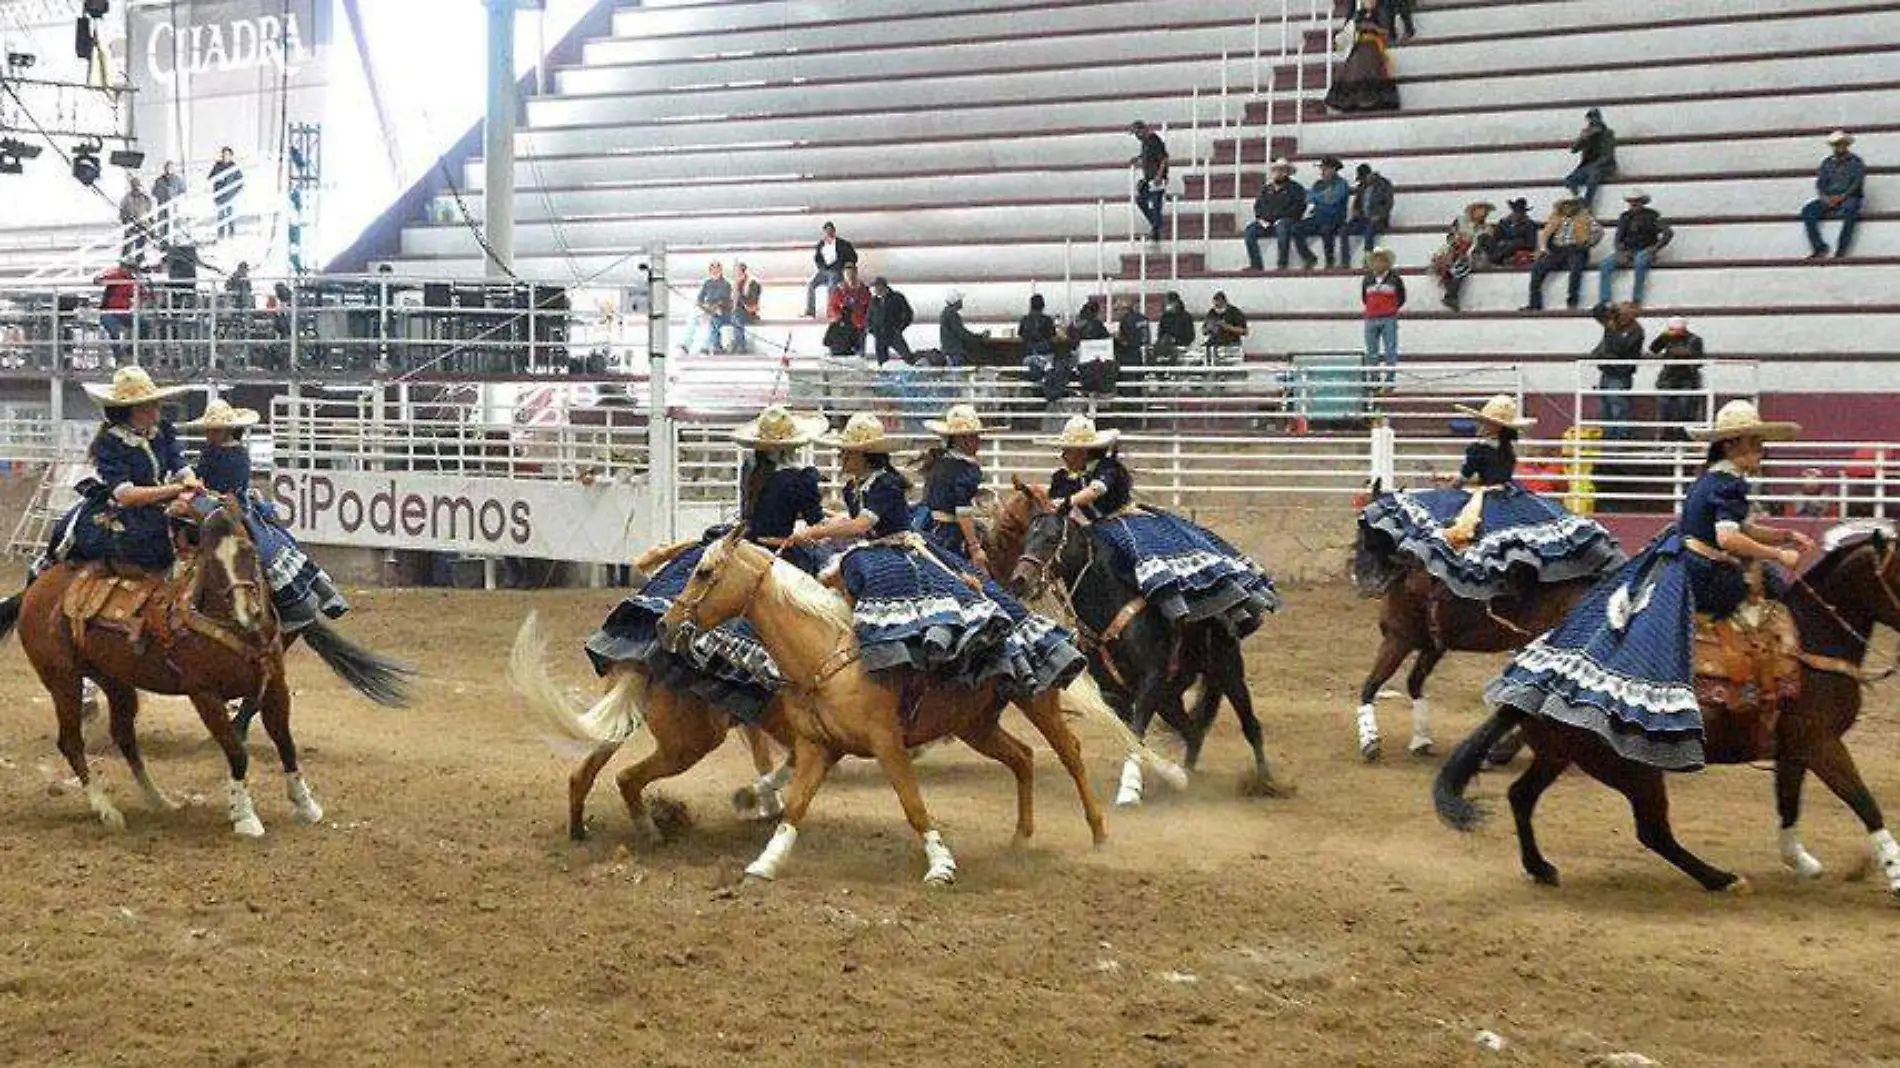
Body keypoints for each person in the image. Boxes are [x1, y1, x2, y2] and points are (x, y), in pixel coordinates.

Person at [1485, 400, 1811, 771]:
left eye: (1759, 443)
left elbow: (1742, 529)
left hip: (1683, 562)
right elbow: (1730, 537)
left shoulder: (1713, 477)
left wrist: (1784, 534)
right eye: (1754, 442)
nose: (1760, 450)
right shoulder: (1729, 483)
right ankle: (1752, 694)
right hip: (1706, 572)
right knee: (1767, 592)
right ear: (1733, 445)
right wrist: (1777, 555)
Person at [1358, 395, 1622, 753]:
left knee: (1460, 545)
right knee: (1521, 546)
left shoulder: (1479, 448)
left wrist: (1449, 485)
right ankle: (1515, 595)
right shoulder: (1506, 450)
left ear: (1491, 424)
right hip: (1511, 500)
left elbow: (1464, 481)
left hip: (1484, 501)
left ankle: (1460, 596)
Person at [797, 413, 1011, 684]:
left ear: (864, 455)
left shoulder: (885, 482)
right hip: (887, 543)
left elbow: (862, 524)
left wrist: (816, 531)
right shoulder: (857, 485)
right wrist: (825, 526)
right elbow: (858, 522)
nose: (842, 458)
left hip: (900, 546)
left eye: (846, 453)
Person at [1044, 414, 1279, 635]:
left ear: (1083, 452)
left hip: (1129, 521)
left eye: (1068, 450)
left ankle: (1190, 608)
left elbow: (1097, 489)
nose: (1063, 455)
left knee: (1154, 555)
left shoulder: (1108, 468)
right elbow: (1051, 502)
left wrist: (1066, 502)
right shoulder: (1063, 478)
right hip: (1100, 528)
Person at [916, 404, 1088, 696]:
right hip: (950, 535)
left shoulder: (940, 461)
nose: (978, 441)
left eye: (977, 436)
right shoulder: (967, 468)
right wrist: (974, 547)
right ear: (962, 440)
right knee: (979, 590)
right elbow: (961, 512)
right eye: (973, 437)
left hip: (925, 527)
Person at [182, 399, 348, 630]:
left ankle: (302, 599)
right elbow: (206, 478)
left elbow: (227, 486)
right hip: (224, 501)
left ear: (228, 430)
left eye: (215, 430)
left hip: (230, 505)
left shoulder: (234, 454)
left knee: (265, 549)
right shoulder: (218, 451)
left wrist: (202, 491)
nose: (210, 434)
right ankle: (318, 590)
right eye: (209, 430)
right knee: (276, 539)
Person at [43, 367, 198, 575]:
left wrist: (190, 484)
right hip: (128, 510)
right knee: (142, 543)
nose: (157, 409)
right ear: (133, 410)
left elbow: (179, 464)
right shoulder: (109, 443)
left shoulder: (162, 431)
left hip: (164, 499)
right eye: (150, 405)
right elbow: (126, 496)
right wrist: (176, 489)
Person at [1523, 196, 1600, 311]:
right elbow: (1545, 234)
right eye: (1565, 205)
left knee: (1575, 269)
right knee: (1537, 268)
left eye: (1570, 205)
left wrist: (1588, 243)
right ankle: (1535, 303)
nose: (1568, 207)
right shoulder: (1555, 218)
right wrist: (1544, 249)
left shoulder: (1585, 217)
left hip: (1575, 249)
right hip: (1557, 250)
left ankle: (1572, 301)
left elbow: (1598, 231)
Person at [1597, 190, 1672, 306]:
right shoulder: (1625, 217)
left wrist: (1655, 248)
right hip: (1628, 250)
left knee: (1640, 262)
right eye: (1632, 202)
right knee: (1605, 264)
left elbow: (1668, 233)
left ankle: (1637, 299)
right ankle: (1605, 299)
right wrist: (1620, 251)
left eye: (1636, 201)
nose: (1634, 204)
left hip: (1645, 249)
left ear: (1642, 202)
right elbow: (1618, 237)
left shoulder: (1652, 216)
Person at [1326, 0, 1400, 113]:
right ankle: (1352, 100)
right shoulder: (1358, 15)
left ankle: (1373, 99)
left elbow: (1387, 32)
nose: (1369, 2)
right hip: (1359, 46)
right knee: (1354, 68)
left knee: (1371, 68)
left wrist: (1374, 29)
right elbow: (1348, 30)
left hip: (1374, 47)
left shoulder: (1381, 13)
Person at [1802, 129, 1865, 259]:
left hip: (1849, 197)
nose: (1839, 147)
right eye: (1836, 144)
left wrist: (1842, 197)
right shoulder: (1827, 163)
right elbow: (1820, 183)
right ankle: (1819, 246)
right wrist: (1825, 197)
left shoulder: (1856, 162)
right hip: (1830, 197)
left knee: (1851, 211)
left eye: (1842, 144)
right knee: (1808, 210)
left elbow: (1857, 184)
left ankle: (1841, 250)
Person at [1591, 302, 1645, 439]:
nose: (1622, 315)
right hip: (1608, 370)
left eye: (1626, 312)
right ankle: (1608, 436)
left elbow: (1621, 349)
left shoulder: (1636, 331)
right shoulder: (1613, 325)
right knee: (1606, 406)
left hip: (1621, 373)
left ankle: (1621, 435)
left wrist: (1612, 330)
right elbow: (1597, 312)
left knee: (1618, 404)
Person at [1431, 201, 1495, 312]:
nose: (1483, 214)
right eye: (1480, 211)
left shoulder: (1487, 229)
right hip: (1455, 250)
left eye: (1485, 212)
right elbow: (1450, 238)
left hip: (1473, 254)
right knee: (1448, 262)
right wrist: (1458, 241)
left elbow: (1484, 245)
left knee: (1462, 265)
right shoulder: (1460, 221)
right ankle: (1450, 291)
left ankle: (1451, 295)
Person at [1244, 159, 1307, 271]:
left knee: (1282, 228)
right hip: (1266, 221)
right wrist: (1262, 218)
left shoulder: (1296, 188)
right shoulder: (1266, 189)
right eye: (1277, 170)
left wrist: (1279, 217)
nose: (1279, 173)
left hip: (1286, 221)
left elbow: (1298, 208)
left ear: (1287, 172)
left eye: (1282, 170)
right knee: (1249, 231)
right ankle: (1256, 264)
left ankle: (1282, 263)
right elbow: (1258, 206)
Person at [1650, 316, 1706, 437]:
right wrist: (1663, 337)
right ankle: (1666, 436)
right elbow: (1654, 349)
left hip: (1687, 379)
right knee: (1665, 407)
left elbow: (1699, 361)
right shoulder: (1667, 338)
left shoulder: (1695, 340)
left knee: (1685, 408)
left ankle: (1683, 436)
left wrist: (1687, 354)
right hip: (1668, 378)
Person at [1293, 156, 1353, 268]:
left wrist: (1318, 198)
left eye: (1325, 169)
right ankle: (1309, 257)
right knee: (1296, 228)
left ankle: (1330, 262)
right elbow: (1309, 198)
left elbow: (1333, 199)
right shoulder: (1318, 184)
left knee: (1326, 229)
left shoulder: (1342, 183)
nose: (1322, 172)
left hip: (1336, 217)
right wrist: (1322, 196)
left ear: (1333, 169)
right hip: (1319, 216)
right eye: (1322, 169)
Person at [1361, 247, 1406, 384]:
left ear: (1387, 263)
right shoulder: (1367, 279)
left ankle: (1390, 379)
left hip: (1388, 318)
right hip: (1371, 318)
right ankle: (1374, 379)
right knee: (1371, 350)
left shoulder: (1395, 279)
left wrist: (1391, 309)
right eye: (1375, 261)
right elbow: (1364, 298)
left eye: (1381, 261)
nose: (1378, 264)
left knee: (1390, 350)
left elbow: (1401, 297)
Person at [1563, 107, 1617, 211]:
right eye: (1591, 118)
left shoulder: (1608, 134)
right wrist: (1583, 138)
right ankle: (1577, 197)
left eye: (1595, 118)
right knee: (1569, 180)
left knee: (1592, 179)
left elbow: (1608, 155)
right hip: (1587, 166)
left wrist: (1595, 165)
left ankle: (1587, 204)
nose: (1593, 121)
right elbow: (1574, 150)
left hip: (1603, 166)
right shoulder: (1586, 133)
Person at [1345, 162, 1395, 267]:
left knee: (1370, 230)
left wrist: (1379, 215)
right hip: (1363, 219)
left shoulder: (1384, 185)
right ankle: (1345, 261)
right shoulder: (1362, 187)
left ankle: (1368, 258)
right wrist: (1356, 211)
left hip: (1379, 220)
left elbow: (1388, 203)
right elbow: (1357, 203)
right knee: (1343, 230)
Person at [95, 259, 144, 364]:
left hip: (124, 312)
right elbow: (99, 279)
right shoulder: (115, 274)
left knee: (144, 324)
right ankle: (119, 358)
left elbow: (143, 293)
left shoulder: (133, 280)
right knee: (114, 331)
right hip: (108, 312)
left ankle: (130, 350)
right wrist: (100, 278)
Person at [804, 221, 857, 318]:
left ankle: (831, 312)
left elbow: (853, 257)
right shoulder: (821, 244)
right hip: (824, 271)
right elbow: (817, 258)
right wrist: (821, 267)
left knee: (831, 286)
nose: (829, 233)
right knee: (811, 284)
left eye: (831, 231)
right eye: (827, 231)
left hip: (837, 270)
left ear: (834, 231)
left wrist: (846, 266)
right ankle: (810, 311)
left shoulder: (843, 244)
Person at [1130, 120, 1170, 241]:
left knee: (1156, 204)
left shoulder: (1154, 140)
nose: (1136, 136)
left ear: (1143, 130)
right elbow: (1146, 156)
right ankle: (1156, 227)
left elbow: (1164, 159)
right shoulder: (1145, 143)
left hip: (1157, 179)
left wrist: (1159, 175)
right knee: (1141, 200)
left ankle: (1156, 230)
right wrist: (1138, 159)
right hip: (1148, 179)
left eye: (1137, 133)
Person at [825, 263, 872, 356]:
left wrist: (863, 322)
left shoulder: (864, 291)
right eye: (847, 274)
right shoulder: (838, 290)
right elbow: (831, 307)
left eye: (852, 273)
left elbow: (869, 308)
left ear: (856, 273)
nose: (850, 277)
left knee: (858, 354)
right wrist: (840, 317)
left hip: (858, 327)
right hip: (842, 328)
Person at [686, 261, 733, 355]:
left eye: (717, 269)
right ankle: (686, 344)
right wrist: (702, 305)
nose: (715, 271)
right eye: (712, 269)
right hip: (707, 309)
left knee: (712, 321)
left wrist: (713, 307)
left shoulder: (726, 284)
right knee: (692, 318)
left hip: (721, 311)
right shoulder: (707, 283)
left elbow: (725, 301)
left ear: (720, 270)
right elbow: (700, 298)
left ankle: (708, 346)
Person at [866, 276, 913, 366]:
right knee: (882, 361)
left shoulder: (897, 297)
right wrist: (871, 329)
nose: (875, 290)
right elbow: (869, 316)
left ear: (884, 286)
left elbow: (907, 313)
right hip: (879, 334)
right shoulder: (874, 301)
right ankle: (884, 376)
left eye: (877, 287)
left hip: (893, 333)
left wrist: (900, 328)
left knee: (907, 356)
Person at [938, 290, 988, 366]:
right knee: (958, 374)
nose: (961, 302)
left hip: (949, 350)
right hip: (955, 352)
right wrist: (978, 338)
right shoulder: (952, 314)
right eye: (960, 300)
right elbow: (961, 333)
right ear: (956, 302)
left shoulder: (946, 312)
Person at [1489, 198, 1541, 268]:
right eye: (1516, 211)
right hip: (1502, 246)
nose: (1517, 214)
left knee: (1517, 242)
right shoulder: (1503, 223)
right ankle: (1492, 257)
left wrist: (1513, 243)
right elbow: (1496, 237)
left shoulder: (1529, 224)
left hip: (1518, 247)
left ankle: (1497, 258)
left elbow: (1531, 243)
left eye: (1520, 212)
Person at [208, 147, 242, 240]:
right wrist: (217, 180)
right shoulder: (217, 166)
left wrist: (234, 192)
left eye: (227, 154)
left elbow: (240, 182)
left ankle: (231, 236)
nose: (225, 156)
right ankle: (220, 236)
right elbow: (210, 178)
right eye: (224, 154)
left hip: (230, 196)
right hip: (220, 196)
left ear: (231, 156)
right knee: (221, 217)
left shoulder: (234, 167)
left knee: (230, 216)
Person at [1203, 291, 1247, 361]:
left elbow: (1244, 331)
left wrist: (1228, 327)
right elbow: (1204, 331)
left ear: (1225, 302)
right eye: (1215, 305)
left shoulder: (1234, 312)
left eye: (1219, 305)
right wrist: (1209, 328)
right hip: (1215, 345)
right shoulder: (1212, 312)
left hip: (1231, 344)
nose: (1217, 308)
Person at [1154, 291, 1195, 363]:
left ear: (1176, 302)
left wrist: (1175, 340)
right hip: (1165, 348)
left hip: (1181, 348)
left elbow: (1190, 336)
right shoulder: (1164, 317)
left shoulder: (1186, 316)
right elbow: (1160, 334)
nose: (1168, 305)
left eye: (1169, 303)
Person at [730, 262, 762, 355]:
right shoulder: (734, 284)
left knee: (736, 318)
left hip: (749, 313)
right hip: (735, 312)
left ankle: (741, 345)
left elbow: (751, 305)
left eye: (737, 272)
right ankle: (719, 345)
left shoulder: (752, 283)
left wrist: (739, 293)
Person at [119, 176, 154, 260]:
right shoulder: (127, 197)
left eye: (137, 185)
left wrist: (149, 222)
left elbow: (149, 209)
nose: (135, 187)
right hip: (131, 224)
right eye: (134, 185)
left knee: (140, 245)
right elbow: (122, 210)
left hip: (142, 224)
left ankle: (140, 262)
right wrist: (125, 219)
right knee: (128, 246)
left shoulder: (145, 197)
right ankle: (124, 263)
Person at [152, 161, 185, 247]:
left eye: (171, 167)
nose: (169, 169)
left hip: (173, 206)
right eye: (167, 167)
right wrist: (162, 194)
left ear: (174, 169)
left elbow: (183, 190)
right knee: (163, 224)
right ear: (164, 169)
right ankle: (163, 242)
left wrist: (175, 196)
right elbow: (154, 192)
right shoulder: (159, 180)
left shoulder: (177, 179)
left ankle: (175, 241)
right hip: (162, 206)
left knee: (175, 223)